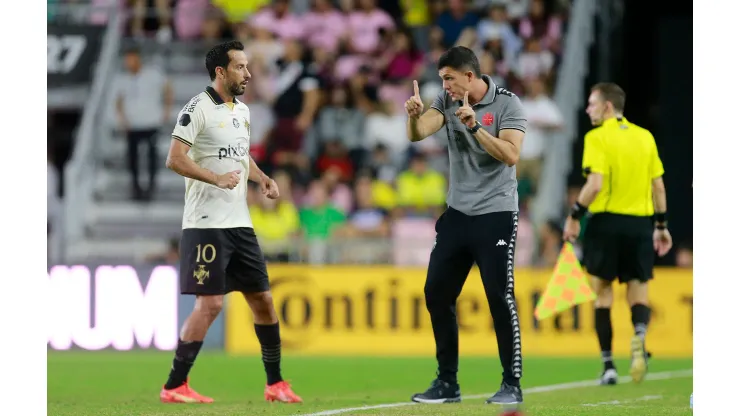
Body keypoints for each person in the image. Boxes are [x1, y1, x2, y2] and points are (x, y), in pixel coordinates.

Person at [159, 40, 302, 404]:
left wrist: (262, 178)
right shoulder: (197, 108)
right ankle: (175, 385)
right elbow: (175, 159)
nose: (249, 74)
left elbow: (240, 157)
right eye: (241, 67)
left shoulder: (243, 111)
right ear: (221, 71)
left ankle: (275, 383)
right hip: (206, 224)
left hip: (240, 225)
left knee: (264, 302)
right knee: (211, 306)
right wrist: (214, 177)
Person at [404, 46, 528, 405]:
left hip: (497, 213)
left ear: (469, 76)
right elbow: (419, 133)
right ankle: (447, 383)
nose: (445, 85)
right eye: (442, 79)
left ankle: (511, 383)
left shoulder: (507, 104)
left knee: (499, 297)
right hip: (458, 213)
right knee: (436, 293)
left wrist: (474, 126)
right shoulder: (444, 100)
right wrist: (413, 117)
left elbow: (511, 155)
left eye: (449, 79)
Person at [563, 82, 672, 386]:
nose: (588, 110)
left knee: (603, 295)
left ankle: (608, 365)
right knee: (638, 290)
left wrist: (574, 216)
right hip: (640, 225)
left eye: (592, 104)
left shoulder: (596, 137)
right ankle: (639, 336)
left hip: (605, 223)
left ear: (607, 107)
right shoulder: (645, 137)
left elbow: (595, 184)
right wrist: (661, 227)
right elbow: (659, 187)